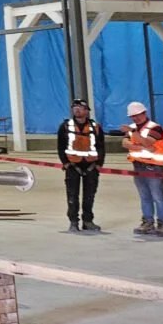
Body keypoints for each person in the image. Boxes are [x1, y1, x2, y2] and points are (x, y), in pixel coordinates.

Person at [121, 101, 163, 237]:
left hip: (154, 167)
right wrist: (140, 147)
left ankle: (162, 225)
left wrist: (135, 136)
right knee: (145, 197)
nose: (135, 118)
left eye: (137, 115)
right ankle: (148, 222)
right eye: (132, 116)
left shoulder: (155, 128)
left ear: (144, 113)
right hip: (138, 166)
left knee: (158, 197)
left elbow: (147, 142)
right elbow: (125, 143)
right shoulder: (132, 128)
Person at [56, 98, 104, 232]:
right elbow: (61, 146)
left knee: (89, 196)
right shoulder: (65, 127)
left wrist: (99, 163)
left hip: (91, 166)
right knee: (72, 196)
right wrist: (65, 163)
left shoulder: (95, 127)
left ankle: (88, 221)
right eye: (74, 108)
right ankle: (73, 222)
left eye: (80, 108)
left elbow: (101, 146)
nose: (76, 110)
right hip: (73, 166)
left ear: (86, 111)